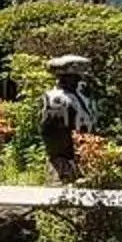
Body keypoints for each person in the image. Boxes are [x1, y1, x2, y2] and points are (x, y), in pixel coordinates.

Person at [37, 54, 94, 183]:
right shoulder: (56, 99)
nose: (79, 80)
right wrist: (65, 158)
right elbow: (51, 132)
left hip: (82, 155)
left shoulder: (80, 96)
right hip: (64, 160)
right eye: (74, 77)